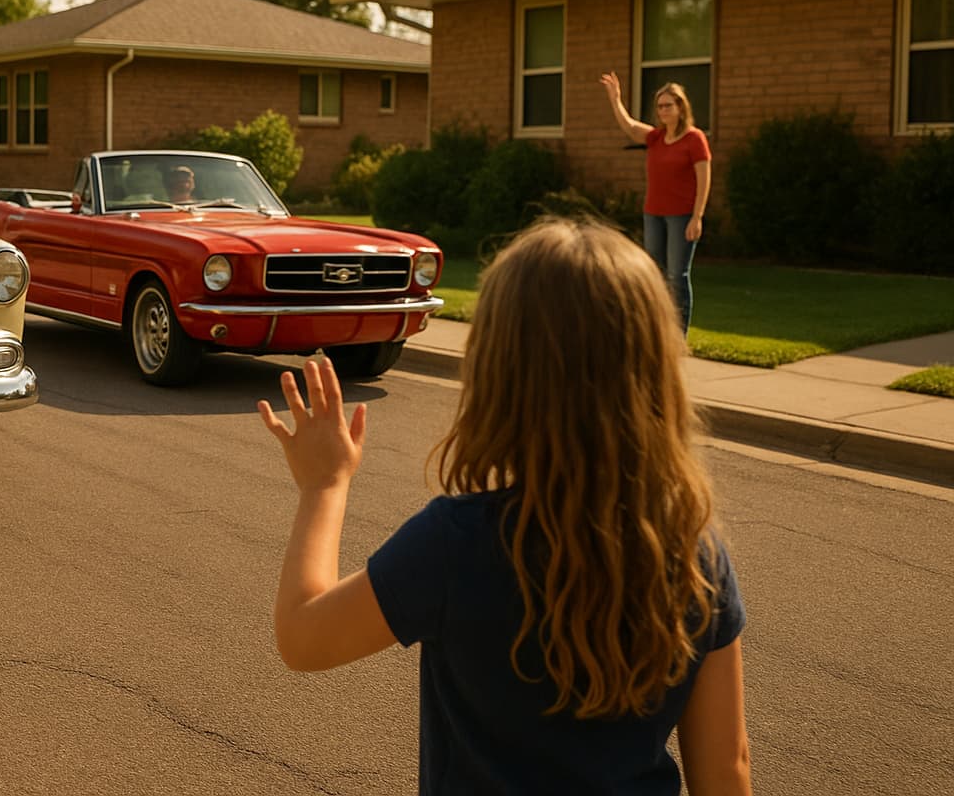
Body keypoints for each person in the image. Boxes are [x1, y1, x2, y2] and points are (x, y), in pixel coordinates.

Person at [257, 217, 750, 796]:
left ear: (498, 374)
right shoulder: (693, 551)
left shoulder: (455, 543)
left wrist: (324, 486)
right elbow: (726, 769)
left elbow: (303, 638)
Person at [600, 72, 712, 334]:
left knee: (677, 276)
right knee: (655, 276)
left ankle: (678, 335)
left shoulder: (694, 139)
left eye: (668, 106)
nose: (662, 111)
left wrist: (697, 217)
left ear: (680, 107)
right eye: (660, 106)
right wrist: (615, 99)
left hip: (681, 216)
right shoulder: (655, 138)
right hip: (654, 215)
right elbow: (628, 126)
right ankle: (657, 331)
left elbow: (704, 179)